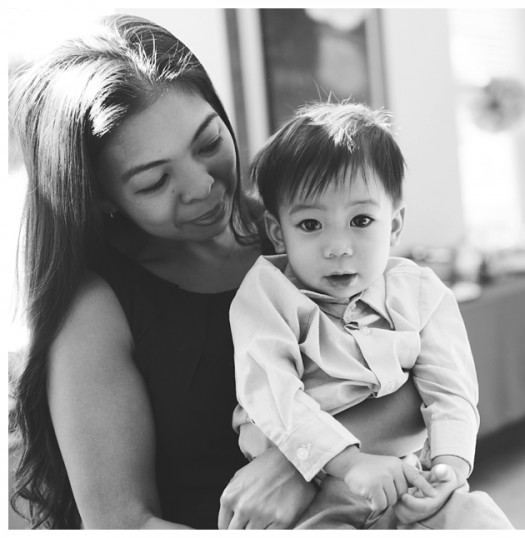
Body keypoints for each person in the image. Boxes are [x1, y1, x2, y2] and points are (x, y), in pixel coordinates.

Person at [7, 14, 433, 529]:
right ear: (100, 198)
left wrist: (295, 463)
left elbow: (425, 389)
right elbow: (122, 523)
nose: (203, 186)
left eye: (208, 143)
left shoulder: (298, 234)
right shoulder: (96, 306)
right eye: (154, 182)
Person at [230, 102, 512, 529]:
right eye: (310, 225)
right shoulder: (267, 295)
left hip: (408, 480)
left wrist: (450, 466)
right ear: (277, 232)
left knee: (476, 517)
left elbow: (450, 390)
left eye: (361, 219)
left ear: (395, 225)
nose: (338, 246)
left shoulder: (420, 292)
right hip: (314, 496)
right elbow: (273, 397)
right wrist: (351, 463)